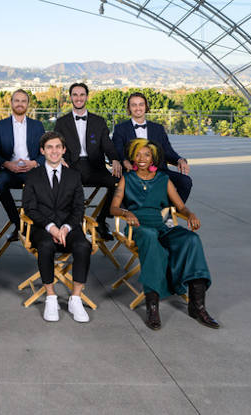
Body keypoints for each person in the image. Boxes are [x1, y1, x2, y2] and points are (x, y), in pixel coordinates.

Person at [109, 138, 219, 331]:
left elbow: (181, 206)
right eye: (138, 154)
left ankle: (197, 305)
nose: (142, 158)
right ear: (133, 157)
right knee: (150, 237)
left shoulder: (163, 179)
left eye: (147, 154)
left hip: (160, 225)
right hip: (137, 227)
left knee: (190, 239)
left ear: (153, 158)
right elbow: (113, 208)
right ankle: (153, 306)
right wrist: (127, 213)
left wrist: (190, 214)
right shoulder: (128, 178)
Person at [21, 131, 92, 323]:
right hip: (42, 227)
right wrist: (51, 227)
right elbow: (29, 207)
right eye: (49, 147)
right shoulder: (33, 176)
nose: (54, 151)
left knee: (84, 246)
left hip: (69, 227)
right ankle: (50, 297)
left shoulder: (74, 175)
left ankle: (75, 298)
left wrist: (66, 228)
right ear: (42, 151)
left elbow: (79, 207)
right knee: (45, 246)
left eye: (58, 147)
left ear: (63, 150)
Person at [54, 82, 121, 241]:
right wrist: (59, 158)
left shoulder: (99, 121)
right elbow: (54, 144)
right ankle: (73, 225)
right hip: (71, 166)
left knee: (118, 182)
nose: (78, 98)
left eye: (82, 94)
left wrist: (115, 159)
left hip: (95, 166)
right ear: (70, 97)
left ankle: (102, 220)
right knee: (66, 187)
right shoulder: (62, 122)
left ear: (87, 97)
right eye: (75, 95)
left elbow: (107, 144)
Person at [112, 92, 192, 202]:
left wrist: (180, 160)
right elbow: (117, 149)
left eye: (141, 104)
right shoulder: (120, 128)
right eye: (134, 105)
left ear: (146, 107)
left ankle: (169, 211)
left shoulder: (158, 128)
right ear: (129, 108)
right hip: (133, 172)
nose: (138, 108)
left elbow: (167, 150)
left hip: (158, 171)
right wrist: (124, 161)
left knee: (185, 181)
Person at [0, 89, 45, 242]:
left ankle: (33, 225)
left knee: (37, 186)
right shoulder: (0, 126)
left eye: (23, 101)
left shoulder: (37, 126)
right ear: (11, 103)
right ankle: (20, 224)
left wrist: (34, 163)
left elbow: (46, 151)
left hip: (31, 169)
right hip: (9, 170)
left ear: (27, 104)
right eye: (17, 100)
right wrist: (7, 164)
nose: (20, 104)